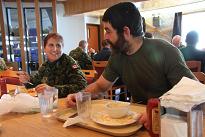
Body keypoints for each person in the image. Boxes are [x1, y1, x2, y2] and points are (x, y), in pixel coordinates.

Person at [66, 2, 196, 127]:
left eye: (108, 31)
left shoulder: (166, 51)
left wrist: (159, 111)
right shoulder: (117, 55)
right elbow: (100, 86)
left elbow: (194, 95)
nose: (105, 37)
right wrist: (80, 95)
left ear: (126, 32)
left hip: (168, 123)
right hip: (135, 120)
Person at [18, 32, 87, 98]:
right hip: (47, 103)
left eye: (58, 45)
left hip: (66, 104)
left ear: (62, 48)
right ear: (44, 49)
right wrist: (27, 80)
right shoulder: (45, 65)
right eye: (51, 45)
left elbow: (82, 86)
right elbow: (36, 85)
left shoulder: (70, 63)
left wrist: (54, 90)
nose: (55, 49)